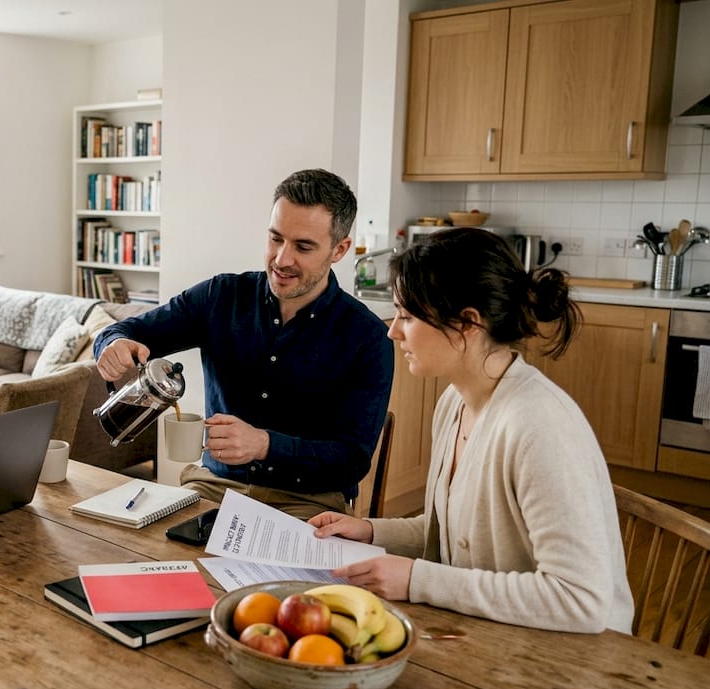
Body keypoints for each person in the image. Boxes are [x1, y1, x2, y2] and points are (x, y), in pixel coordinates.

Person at [309, 228, 633, 633]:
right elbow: (454, 532)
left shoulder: (539, 427)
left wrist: (416, 579)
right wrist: (372, 531)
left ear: (467, 324)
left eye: (407, 317)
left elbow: (581, 601)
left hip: (576, 663)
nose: (392, 331)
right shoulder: (454, 403)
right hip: (492, 633)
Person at [94, 168, 394, 519]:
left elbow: (351, 461)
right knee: (147, 559)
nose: (282, 259)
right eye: (276, 239)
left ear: (339, 249)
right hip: (212, 487)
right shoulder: (221, 296)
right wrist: (112, 345)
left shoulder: (369, 338)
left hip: (307, 504)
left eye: (303, 246)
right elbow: (125, 331)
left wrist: (264, 445)